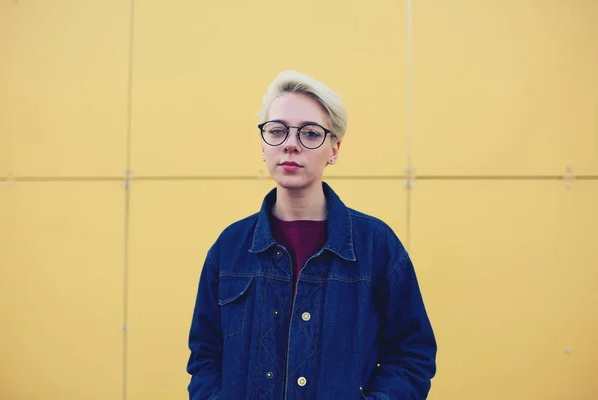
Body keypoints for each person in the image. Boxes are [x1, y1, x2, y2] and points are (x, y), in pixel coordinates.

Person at [186, 70, 437, 399]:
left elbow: (411, 356)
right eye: (277, 131)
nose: (290, 144)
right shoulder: (229, 247)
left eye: (310, 133)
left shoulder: (376, 247)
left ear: (334, 148)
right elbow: (205, 357)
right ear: (264, 145)